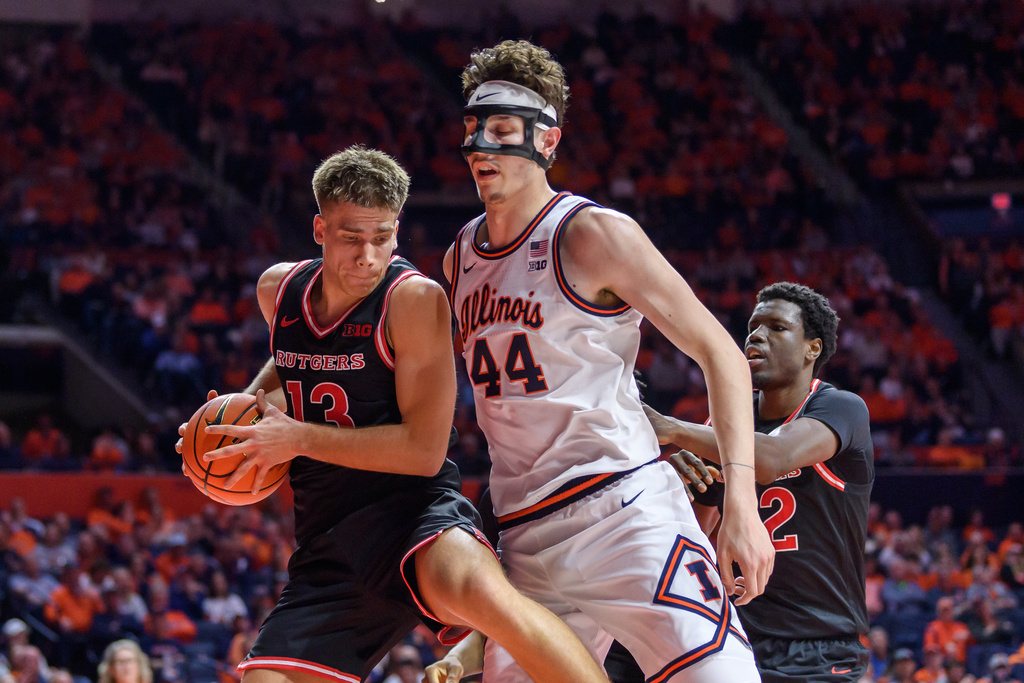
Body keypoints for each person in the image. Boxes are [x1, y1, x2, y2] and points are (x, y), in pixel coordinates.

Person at [186, 145, 608, 683]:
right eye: (351, 237)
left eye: (382, 237)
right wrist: (234, 421)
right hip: (329, 542)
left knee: (490, 601)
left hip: (415, 517)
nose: (368, 255)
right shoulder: (280, 291)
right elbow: (290, 362)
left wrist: (296, 440)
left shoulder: (413, 302)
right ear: (319, 229)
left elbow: (425, 451)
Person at [443, 40, 773, 682]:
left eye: (502, 130)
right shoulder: (460, 256)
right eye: (472, 129)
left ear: (545, 141)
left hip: (621, 514)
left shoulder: (591, 233)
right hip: (523, 539)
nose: (481, 145)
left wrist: (742, 506)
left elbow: (721, 355)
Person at [645, 282, 874, 682]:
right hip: (734, 632)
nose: (757, 335)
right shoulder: (727, 422)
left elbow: (773, 458)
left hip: (818, 644)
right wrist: (684, 481)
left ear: (812, 349)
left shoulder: (841, 408)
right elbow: (698, 534)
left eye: (776, 327)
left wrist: (672, 429)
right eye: (753, 326)